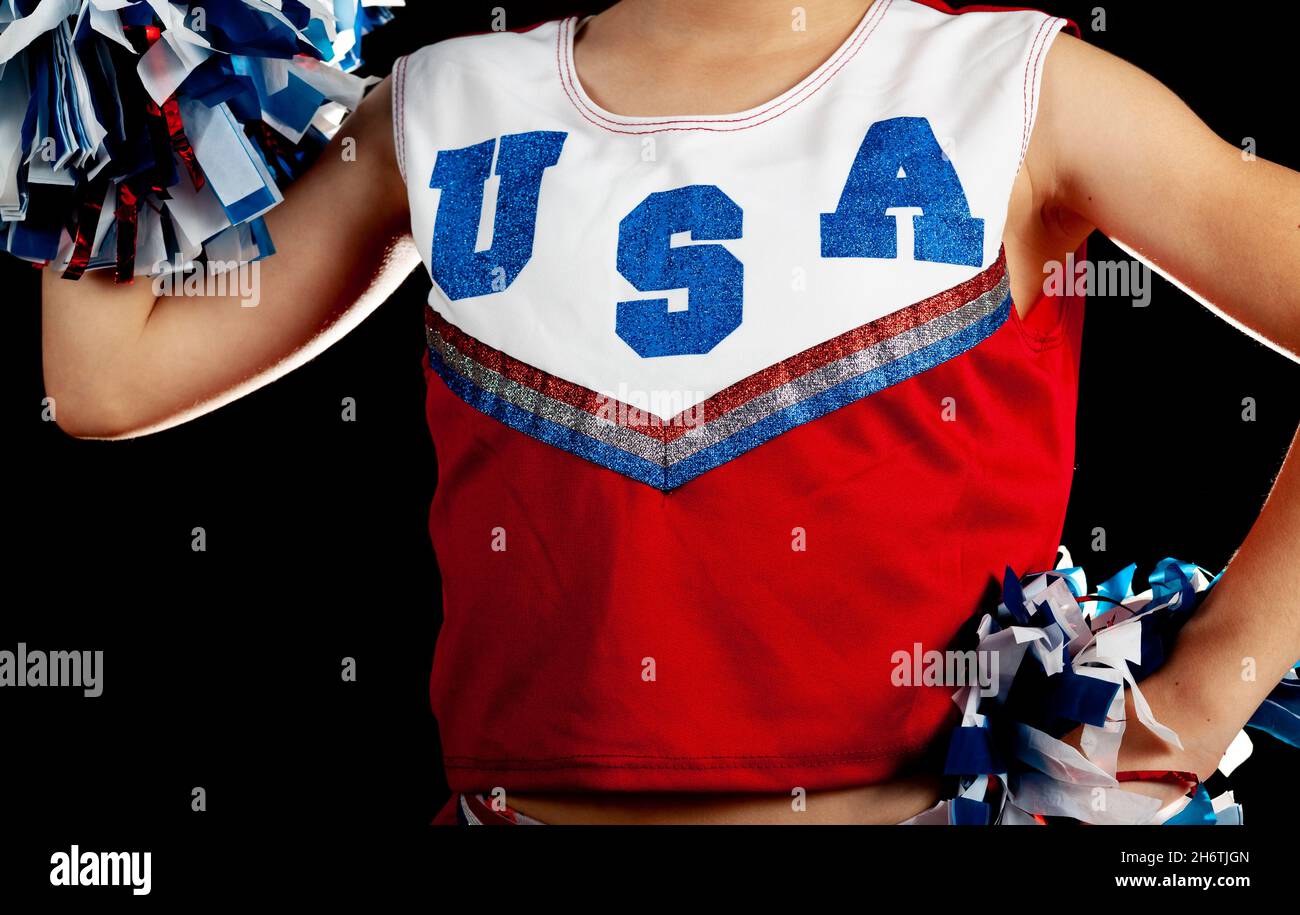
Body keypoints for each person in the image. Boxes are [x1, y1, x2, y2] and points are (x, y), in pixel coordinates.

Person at [41, 0, 1300, 825]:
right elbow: (113, 378)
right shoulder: (442, 101)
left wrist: (1203, 693)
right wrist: (113, 56)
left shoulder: (1020, 86)